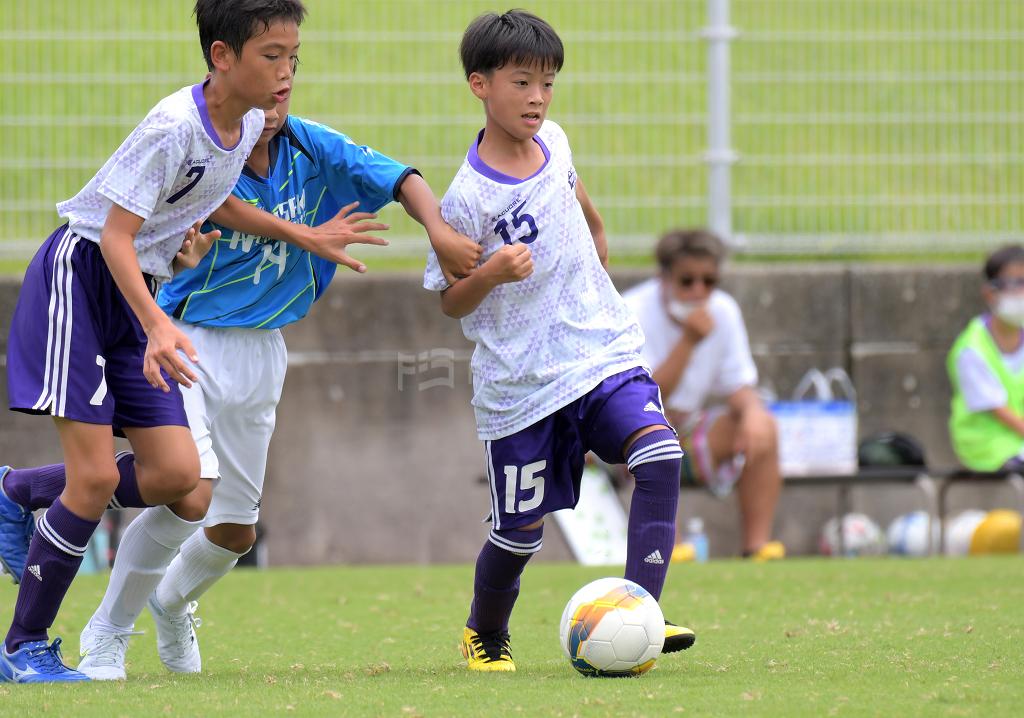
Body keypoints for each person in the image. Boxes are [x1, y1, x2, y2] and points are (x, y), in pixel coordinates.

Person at [0, 75, 480, 680]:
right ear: (230, 66)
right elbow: (196, 206)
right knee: (186, 492)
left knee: (233, 530)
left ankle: (168, 600)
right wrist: (301, 234)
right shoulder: (202, 136)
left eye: (291, 66)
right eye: (270, 63)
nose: (280, 86)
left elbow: (400, 177)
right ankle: (105, 634)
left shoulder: (310, 146)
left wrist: (437, 229)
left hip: (263, 350)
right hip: (186, 334)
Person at [0, 0, 307, 683]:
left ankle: (18, 491)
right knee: (97, 477)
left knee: (182, 485)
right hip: (80, 281)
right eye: (271, 57)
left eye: (293, 57)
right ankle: (24, 647)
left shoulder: (250, 121)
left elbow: (199, 203)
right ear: (221, 57)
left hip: (136, 287)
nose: (286, 73)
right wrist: (159, 318)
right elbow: (112, 234)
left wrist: (183, 253)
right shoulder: (174, 125)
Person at [423, 10, 695, 672]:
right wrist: (489, 270)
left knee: (659, 456)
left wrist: (592, 281)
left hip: (602, 355)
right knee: (518, 537)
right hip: (522, 387)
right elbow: (449, 302)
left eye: (547, 83)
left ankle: (642, 616)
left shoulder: (559, 145)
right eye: (522, 83)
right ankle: (485, 632)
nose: (538, 98)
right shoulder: (466, 200)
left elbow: (588, 216)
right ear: (479, 85)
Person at [622, 229, 784, 560]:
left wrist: (752, 412)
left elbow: (738, 386)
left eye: (709, 281)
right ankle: (668, 550)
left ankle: (757, 550)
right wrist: (689, 342)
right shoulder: (631, 310)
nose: (699, 291)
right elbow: (642, 396)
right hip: (629, 429)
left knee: (763, 427)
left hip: (689, 428)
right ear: (663, 278)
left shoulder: (724, 311)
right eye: (687, 281)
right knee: (653, 438)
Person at [948, 245, 1024, 472]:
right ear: (990, 292)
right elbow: (997, 409)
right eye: (1016, 283)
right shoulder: (972, 348)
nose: (1022, 293)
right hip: (986, 448)